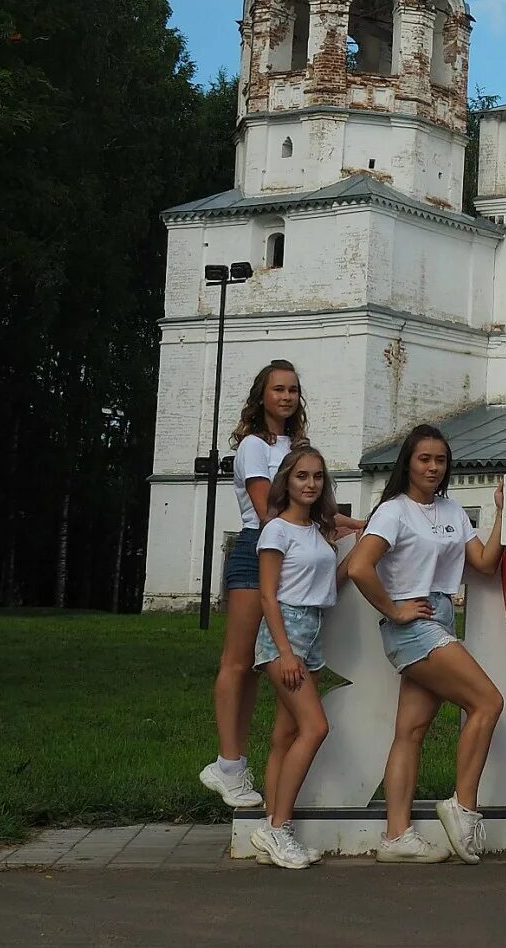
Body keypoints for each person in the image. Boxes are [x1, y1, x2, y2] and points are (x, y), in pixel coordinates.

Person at [346, 425, 506, 864]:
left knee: (410, 732)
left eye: (440, 460)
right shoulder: (393, 511)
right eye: (424, 459)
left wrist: (503, 512)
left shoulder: (453, 510)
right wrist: (394, 609)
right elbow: (360, 566)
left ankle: (396, 837)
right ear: (408, 463)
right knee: (488, 702)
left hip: (439, 617)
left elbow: (486, 565)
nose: (433, 467)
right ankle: (463, 806)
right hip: (414, 624)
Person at [200, 359, 304, 810]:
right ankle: (226, 764)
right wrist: (316, 527)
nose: (286, 396)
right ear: (261, 395)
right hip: (255, 551)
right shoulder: (252, 448)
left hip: (290, 557)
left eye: (293, 390)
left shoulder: (298, 446)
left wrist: (354, 523)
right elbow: (268, 511)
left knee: (262, 670)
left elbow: (310, 504)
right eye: (278, 389)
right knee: (238, 663)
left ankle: (237, 764)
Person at [248, 445, 350, 869]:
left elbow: (328, 585)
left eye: (318, 477)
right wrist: (286, 652)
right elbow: (268, 596)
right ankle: (278, 829)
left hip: (310, 632)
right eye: (302, 476)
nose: (310, 484)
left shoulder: (316, 532)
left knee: (284, 737)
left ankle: (271, 825)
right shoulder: (277, 531)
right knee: (315, 726)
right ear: (286, 481)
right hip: (283, 636)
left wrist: (361, 546)